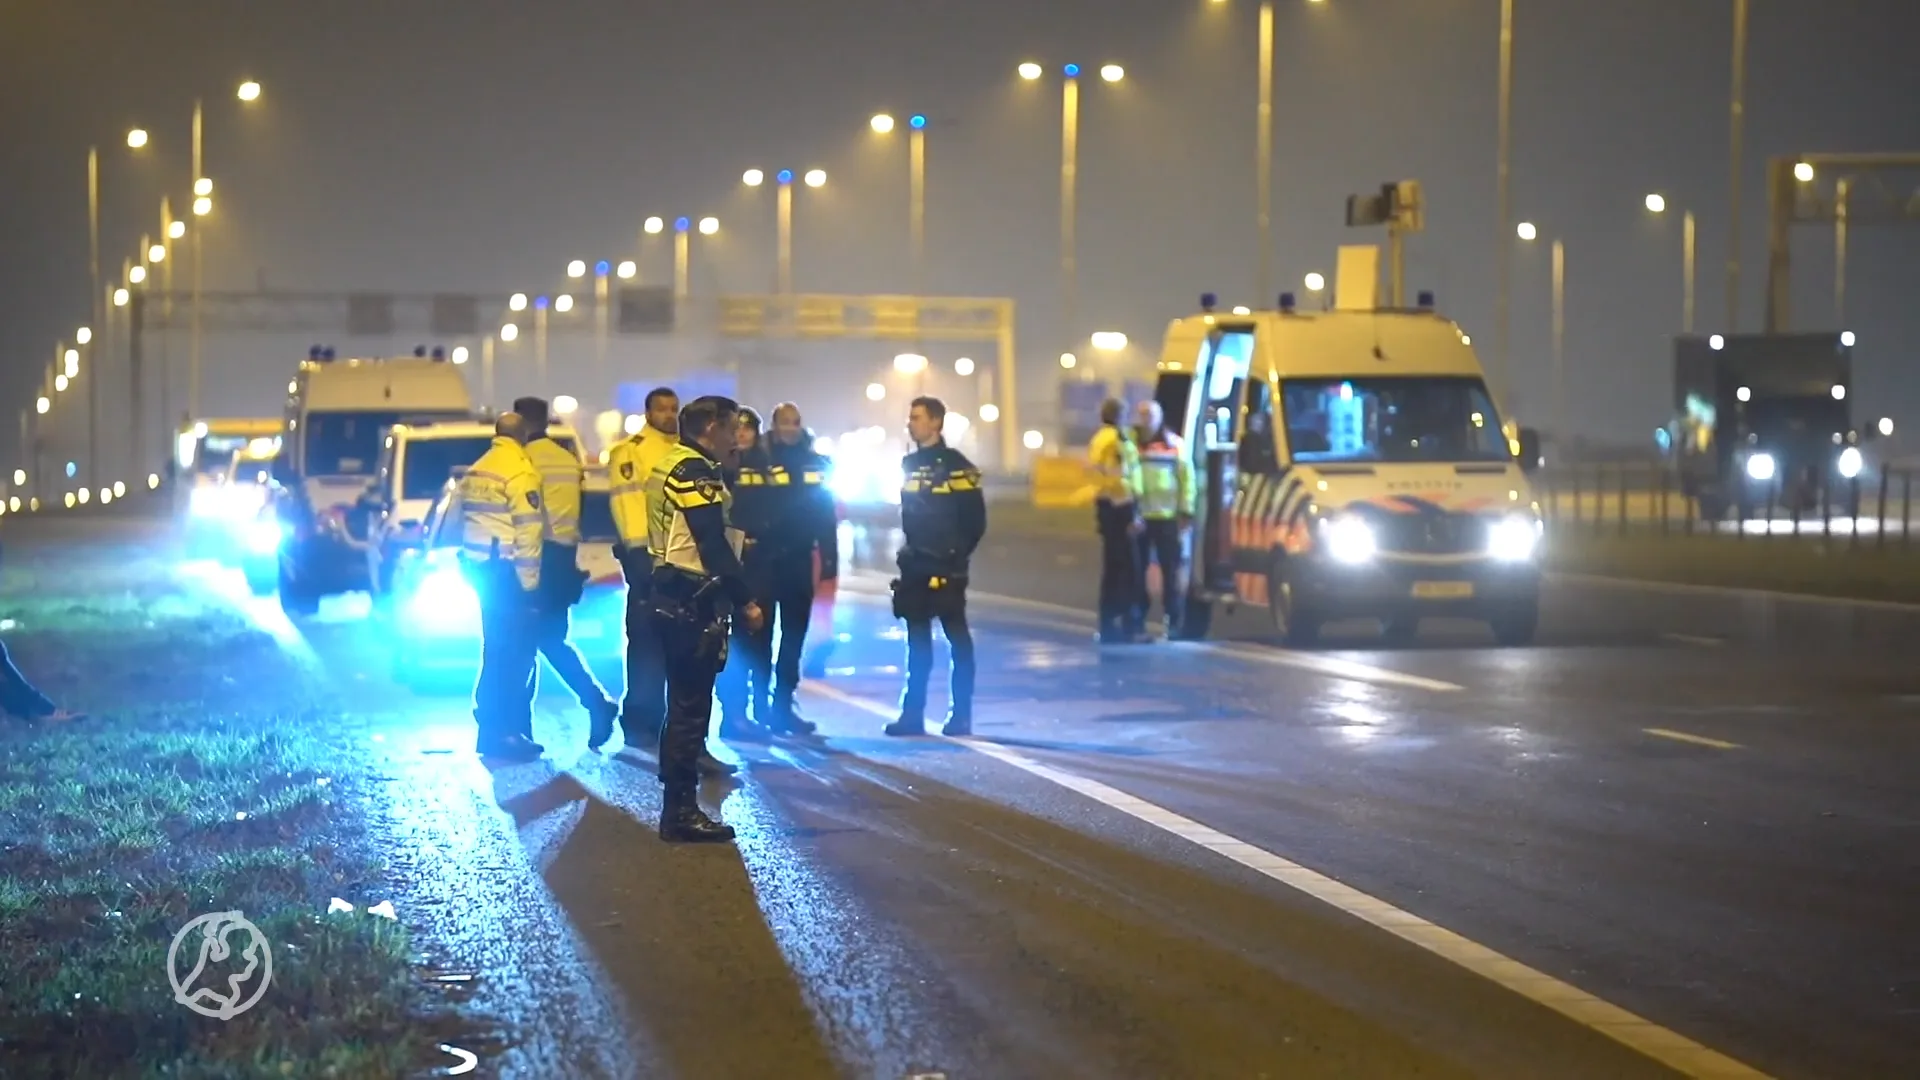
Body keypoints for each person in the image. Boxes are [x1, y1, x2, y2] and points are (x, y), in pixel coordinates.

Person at [646, 394, 766, 842]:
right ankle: (680, 812)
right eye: (732, 426)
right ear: (711, 425)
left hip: (670, 592)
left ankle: (676, 805)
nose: (738, 436)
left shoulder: (673, 461)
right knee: (691, 710)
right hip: (690, 600)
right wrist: (745, 600)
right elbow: (710, 542)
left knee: (681, 705)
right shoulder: (693, 470)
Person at [514, 396, 620, 744]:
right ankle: (595, 702)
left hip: (534, 558)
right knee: (549, 640)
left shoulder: (522, 460)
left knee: (525, 644)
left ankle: (523, 728)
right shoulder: (567, 460)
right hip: (562, 560)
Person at [886, 396, 986, 738]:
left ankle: (961, 714)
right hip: (915, 565)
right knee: (916, 642)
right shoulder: (909, 463)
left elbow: (975, 520)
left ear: (936, 423)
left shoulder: (958, 466)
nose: (910, 423)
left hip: (946, 566)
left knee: (956, 637)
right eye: (910, 417)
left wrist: (956, 556)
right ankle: (912, 714)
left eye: (917, 417)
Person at [458, 412, 545, 761]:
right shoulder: (520, 471)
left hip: (481, 569)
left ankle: (491, 730)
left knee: (494, 651)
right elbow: (528, 531)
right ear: (523, 436)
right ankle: (505, 733)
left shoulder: (479, 468)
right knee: (513, 656)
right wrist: (530, 585)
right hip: (507, 573)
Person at [753, 402, 834, 734]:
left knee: (794, 637)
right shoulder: (758, 460)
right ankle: (758, 707)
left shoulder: (816, 462)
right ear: (773, 426)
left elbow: (826, 514)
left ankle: (783, 705)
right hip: (765, 561)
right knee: (760, 636)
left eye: (795, 422)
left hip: (799, 560)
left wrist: (829, 560)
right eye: (784, 422)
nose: (790, 428)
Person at [716, 407, 776, 742]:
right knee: (734, 640)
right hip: (732, 562)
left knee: (762, 639)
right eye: (736, 428)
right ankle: (733, 713)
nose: (742, 435)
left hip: (763, 562)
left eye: (748, 429)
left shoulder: (766, 468)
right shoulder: (721, 467)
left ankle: (760, 709)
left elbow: (781, 509)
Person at [1133, 399, 1195, 638]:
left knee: (1171, 573)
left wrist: (1186, 511)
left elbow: (1187, 479)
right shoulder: (1133, 445)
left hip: (1168, 517)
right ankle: (1137, 619)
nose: (1146, 420)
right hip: (1140, 518)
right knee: (1136, 573)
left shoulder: (1175, 445)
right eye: (1142, 415)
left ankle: (1173, 621)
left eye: (1150, 416)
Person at [1087, 397, 1146, 643]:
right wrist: (1131, 511)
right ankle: (1128, 627)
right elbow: (1119, 477)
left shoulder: (1101, 438)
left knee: (1114, 569)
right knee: (1128, 570)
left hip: (1108, 506)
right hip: (1119, 507)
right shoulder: (1115, 440)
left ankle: (1109, 625)